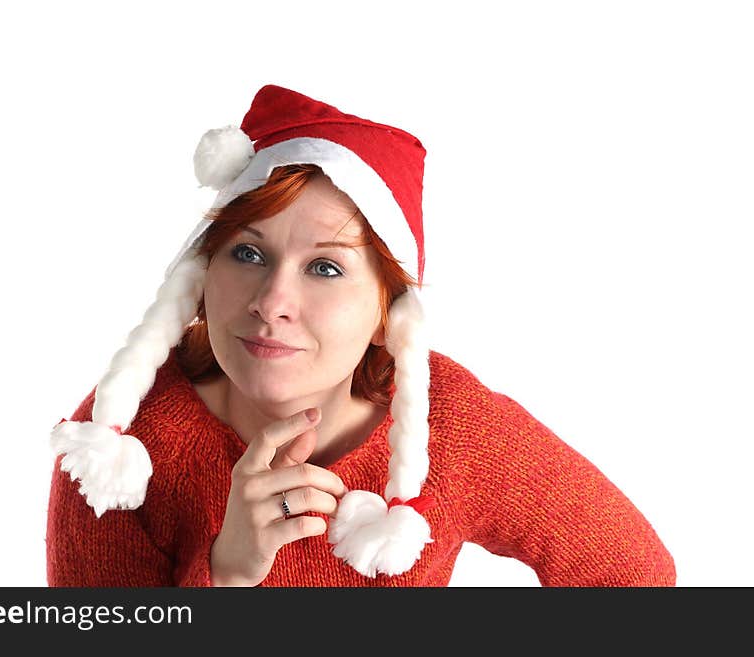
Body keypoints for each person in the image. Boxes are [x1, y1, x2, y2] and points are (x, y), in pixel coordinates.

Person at [45, 84, 676, 587]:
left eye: (325, 268)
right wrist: (228, 573)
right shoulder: (116, 444)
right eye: (247, 254)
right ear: (201, 273)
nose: (272, 303)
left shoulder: (452, 424)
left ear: (385, 314)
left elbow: (633, 576)